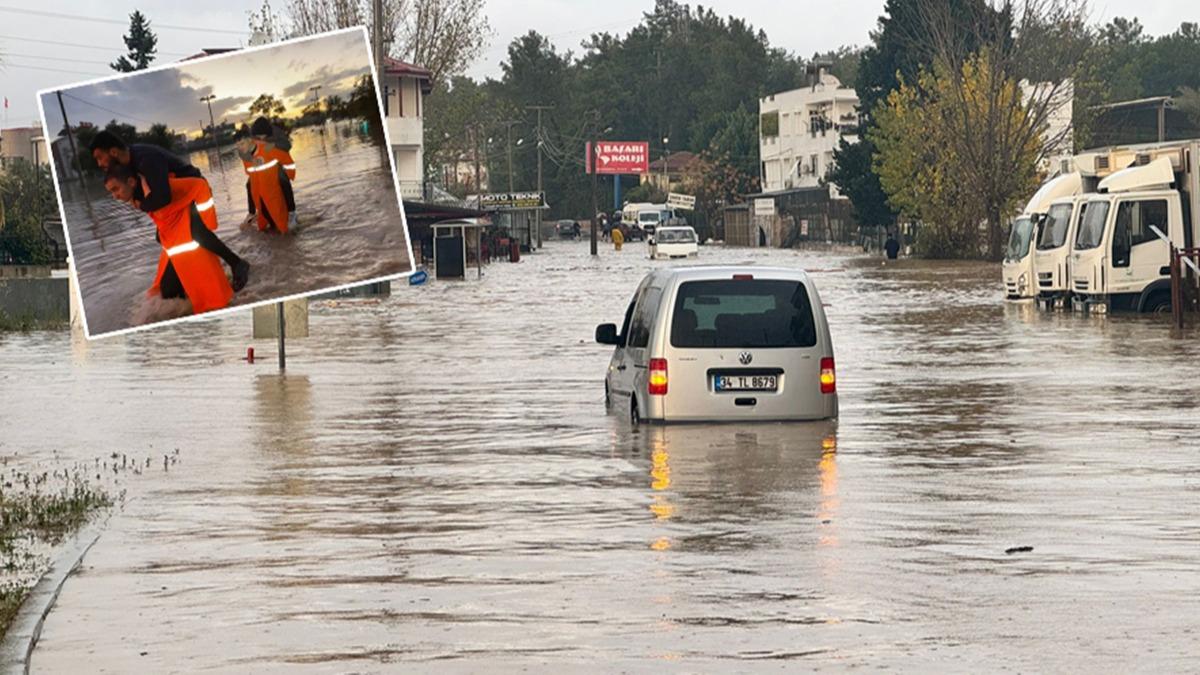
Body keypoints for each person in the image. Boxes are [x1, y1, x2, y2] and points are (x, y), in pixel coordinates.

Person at [90, 131, 250, 290]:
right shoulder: (129, 163)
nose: (99, 163)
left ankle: (237, 263)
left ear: (113, 152)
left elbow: (162, 197)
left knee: (196, 231)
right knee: (162, 237)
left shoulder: (146, 159)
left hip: (193, 191)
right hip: (177, 199)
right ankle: (201, 269)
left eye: (99, 157)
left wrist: (140, 204)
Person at [104, 164, 233, 313]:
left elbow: (198, 185)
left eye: (116, 189)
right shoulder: (138, 195)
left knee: (174, 292)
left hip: (191, 220)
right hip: (177, 238)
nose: (115, 196)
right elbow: (162, 214)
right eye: (111, 192)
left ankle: (235, 264)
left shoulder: (156, 188)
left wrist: (208, 219)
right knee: (168, 292)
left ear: (131, 182)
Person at [239, 117, 298, 234]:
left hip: (277, 162)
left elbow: (287, 145)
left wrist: (271, 145)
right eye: (258, 137)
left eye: (264, 136)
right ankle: (251, 213)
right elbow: (242, 152)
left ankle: (292, 213)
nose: (261, 139)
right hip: (259, 164)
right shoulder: (250, 136)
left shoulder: (277, 132)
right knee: (249, 184)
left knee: (283, 179)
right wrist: (252, 157)